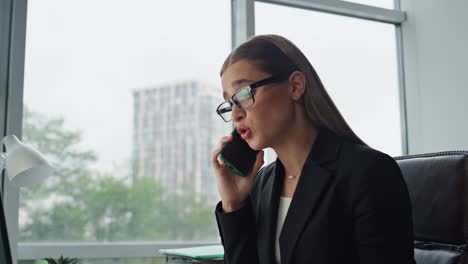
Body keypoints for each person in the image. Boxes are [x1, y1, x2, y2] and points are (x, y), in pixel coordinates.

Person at [210, 34, 415, 264]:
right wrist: (234, 204)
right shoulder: (263, 183)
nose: (236, 114)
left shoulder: (369, 172)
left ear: (295, 85)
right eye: (229, 104)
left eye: (244, 94)